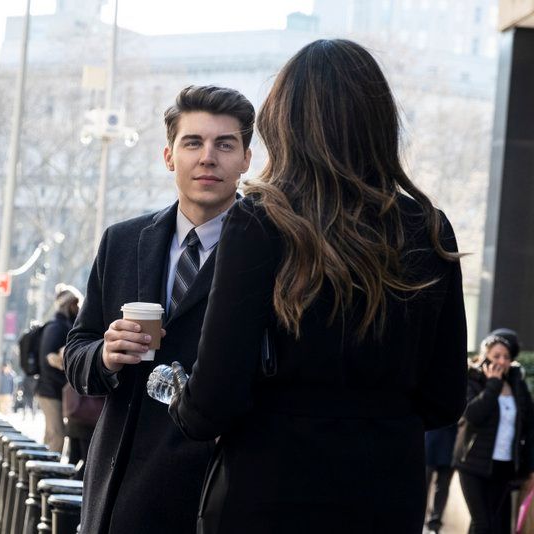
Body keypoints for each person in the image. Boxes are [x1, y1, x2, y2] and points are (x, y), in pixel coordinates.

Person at [168, 39, 468, 533]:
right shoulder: (429, 228)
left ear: (285, 122)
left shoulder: (260, 222)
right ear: (379, 121)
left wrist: (184, 404)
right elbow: (444, 398)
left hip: (269, 490)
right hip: (386, 495)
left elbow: (215, 396)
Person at [64, 85, 254, 534]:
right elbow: (77, 353)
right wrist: (105, 355)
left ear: (246, 159)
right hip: (122, 482)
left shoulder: (268, 247)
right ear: (169, 156)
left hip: (215, 486)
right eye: (193, 143)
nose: (208, 157)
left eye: (224, 145)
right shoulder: (123, 241)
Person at [453, 328, 534, 534]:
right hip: (472, 464)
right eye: (496, 355)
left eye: (506, 357)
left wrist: (528, 465)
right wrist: (493, 386)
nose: (501, 361)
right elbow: (472, 415)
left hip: (503, 466)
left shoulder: (517, 385)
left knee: (489, 521)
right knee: (483, 523)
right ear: (484, 357)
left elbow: (528, 426)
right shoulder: (472, 381)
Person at [36, 286, 81, 453]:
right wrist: (71, 365)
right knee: (57, 436)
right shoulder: (57, 327)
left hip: (54, 390)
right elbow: (49, 357)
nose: (78, 308)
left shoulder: (64, 325)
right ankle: (49, 474)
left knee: (51, 435)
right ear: (69, 305)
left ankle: (42, 472)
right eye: (76, 304)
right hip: (50, 391)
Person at [424, 423, 458, 533]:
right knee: (424, 482)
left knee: (443, 485)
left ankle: (436, 519)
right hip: (431, 440)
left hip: (449, 442)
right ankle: (423, 515)